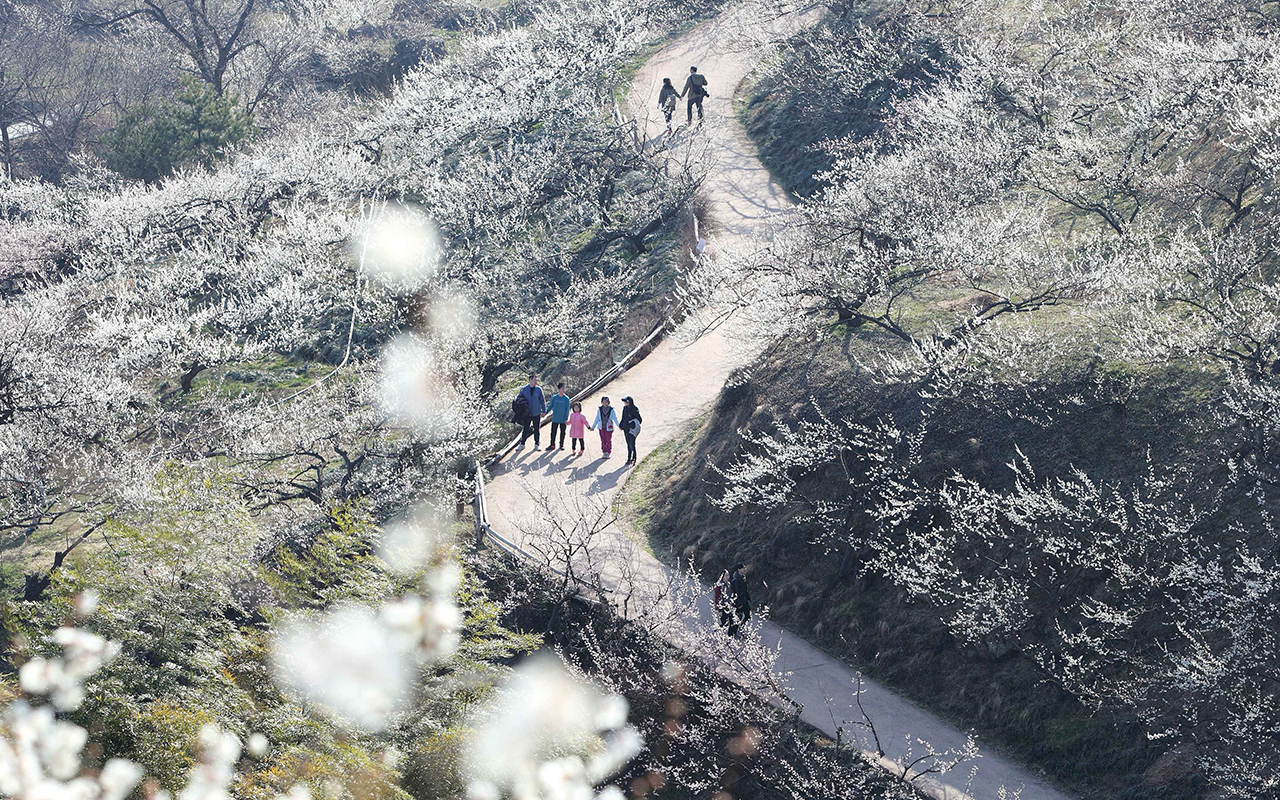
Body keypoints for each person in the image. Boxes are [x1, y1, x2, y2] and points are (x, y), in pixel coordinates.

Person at [516, 373, 546, 449]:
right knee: (525, 428)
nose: (536, 381)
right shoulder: (523, 389)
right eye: (534, 379)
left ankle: (537, 444)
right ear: (530, 380)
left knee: (536, 429)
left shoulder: (539, 389)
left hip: (536, 412)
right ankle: (522, 444)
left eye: (536, 379)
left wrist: (544, 410)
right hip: (527, 413)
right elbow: (518, 399)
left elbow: (542, 400)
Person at [726, 563, 751, 636]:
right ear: (739, 570)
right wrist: (738, 603)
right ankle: (733, 633)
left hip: (744, 600)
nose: (745, 569)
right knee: (737, 617)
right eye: (743, 568)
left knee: (747, 615)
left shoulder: (742, 577)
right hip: (739, 602)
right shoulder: (736, 580)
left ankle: (740, 629)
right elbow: (736, 592)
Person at [547, 383, 571, 451]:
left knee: (563, 432)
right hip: (555, 418)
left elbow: (567, 409)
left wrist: (566, 418)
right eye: (562, 388)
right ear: (559, 389)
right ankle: (552, 444)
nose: (564, 390)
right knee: (553, 432)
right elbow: (550, 406)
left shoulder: (566, 399)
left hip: (563, 418)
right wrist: (545, 412)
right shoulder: (554, 398)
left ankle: (561, 444)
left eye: (564, 388)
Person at [620, 396, 642, 466]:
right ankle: (629, 458)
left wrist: (632, 423)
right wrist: (621, 425)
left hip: (632, 429)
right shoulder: (625, 408)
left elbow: (640, 420)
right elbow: (623, 417)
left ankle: (634, 457)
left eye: (626, 402)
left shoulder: (635, 409)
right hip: (626, 428)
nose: (625, 403)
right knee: (628, 444)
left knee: (632, 444)